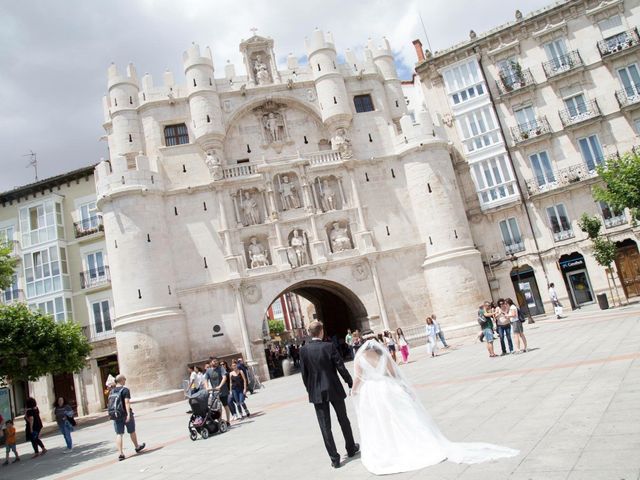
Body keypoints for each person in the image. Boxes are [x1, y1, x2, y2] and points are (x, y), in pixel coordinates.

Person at [351, 339, 518, 475]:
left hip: (372, 392)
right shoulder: (384, 357)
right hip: (388, 388)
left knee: (380, 421)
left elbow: (358, 379)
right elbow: (393, 375)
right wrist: (404, 389)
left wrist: (353, 391)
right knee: (401, 419)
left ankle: (388, 448)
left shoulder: (360, 359)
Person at [299, 320, 359, 469]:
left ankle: (334, 458)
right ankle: (350, 448)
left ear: (310, 333)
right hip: (334, 388)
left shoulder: (304, 350)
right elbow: (340, 366)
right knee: (343, 419)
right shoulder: (329, 346)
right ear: (321, 332)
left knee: (325, 426)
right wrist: (350, 382)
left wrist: (310, 389)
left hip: (317, 392)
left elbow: (304, 374)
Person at [110, 374, 145, 461]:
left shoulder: (112, 391)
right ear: (121, 380)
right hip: (125, 414)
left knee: (119, 434)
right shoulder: (125, 390)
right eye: (124, 379)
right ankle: (137, 447)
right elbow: (127, 402)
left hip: (116, 415)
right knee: (132, 431)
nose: (125, 380)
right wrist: (129, 414)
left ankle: (120, 453)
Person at [205, 358, 231, 424]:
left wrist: (220, 386)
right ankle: (219, 420)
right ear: (211, 363)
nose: (216, 362)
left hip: (223, 390)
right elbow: (205, 380)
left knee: (225, 405)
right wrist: (207, 387)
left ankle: (228, 421)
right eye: (214, 361)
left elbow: (224, 377)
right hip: (215, 392)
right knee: (218, 407)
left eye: (217, 361)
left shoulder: (221, 368)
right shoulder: (208, 371)